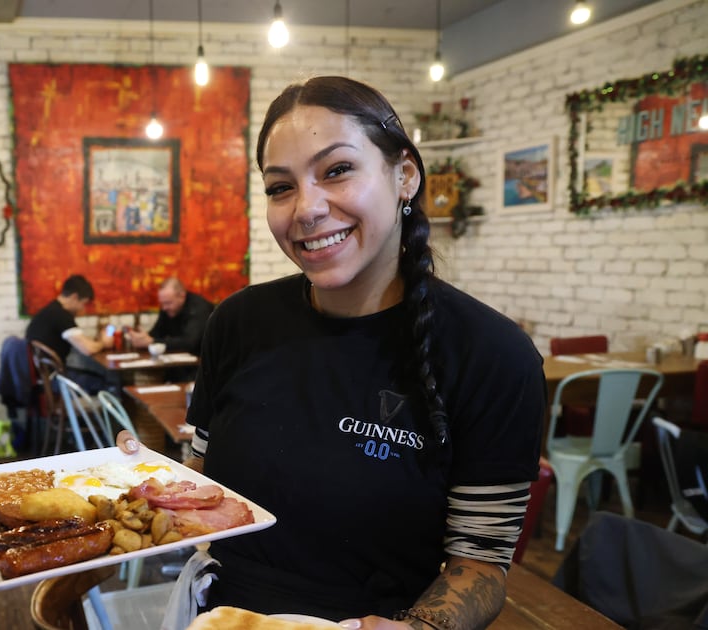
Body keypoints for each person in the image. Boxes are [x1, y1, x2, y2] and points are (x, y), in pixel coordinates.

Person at [120, 77, 545, 629]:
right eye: (280, 187)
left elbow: (482, 563)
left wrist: (423, 626)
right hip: (221, 618)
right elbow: (203, 481)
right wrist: (142, 485)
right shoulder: (238, 322)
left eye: (337, 170)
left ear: (405, 175)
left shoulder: (493, 356)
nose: (306, 209)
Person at [25, 274, 112, 393]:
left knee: (100, 378)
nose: (82, 309)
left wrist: (95, 342)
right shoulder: (61, 315)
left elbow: (82, 342)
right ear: (74, 297)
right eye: (83, 303)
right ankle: (115, 412)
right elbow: (87, 349)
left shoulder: (51, 311)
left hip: (44, 377)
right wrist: (104, 342)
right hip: (55, 379)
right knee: (110, 384)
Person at [125, 277, 214, 356]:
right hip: (178, 363)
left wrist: (152, 342)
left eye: (168, 303)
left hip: (201, 364)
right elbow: (157, 333)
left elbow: (190, 342)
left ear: (182, 296)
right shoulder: (166, 308)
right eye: (162, 304)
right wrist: (142, 337)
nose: (164, 308)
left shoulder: (199, 308)